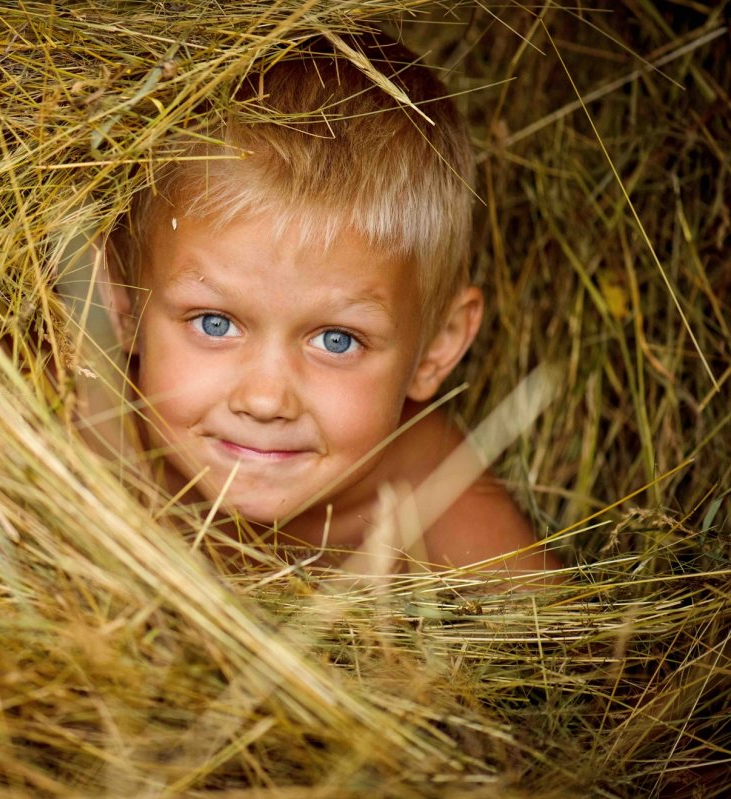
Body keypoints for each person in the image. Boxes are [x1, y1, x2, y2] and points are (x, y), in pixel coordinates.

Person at [94, 31, 559, 576]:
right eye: (215, 323)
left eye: (336, 340)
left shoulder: (431, 494)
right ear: (122, 305)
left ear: (438, 346)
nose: (265, 400)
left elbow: (557, 648)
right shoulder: (81, 425)